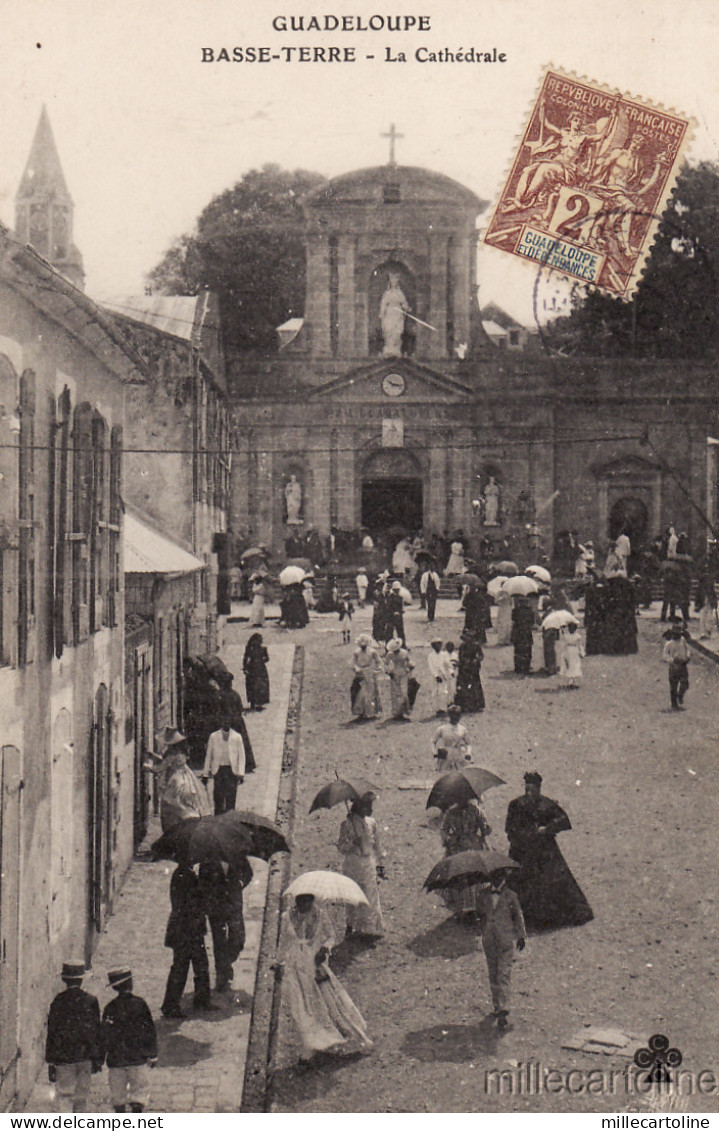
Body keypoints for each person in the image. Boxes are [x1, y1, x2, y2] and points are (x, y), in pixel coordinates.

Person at [277, 894, 373, 1062]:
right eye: (300, 901)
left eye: (307, 901)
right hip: (295, 969)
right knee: (300, 1008)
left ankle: (342, 1037)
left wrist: (325, 949)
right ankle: (309, 1048)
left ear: (312, 900)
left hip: (314, 966)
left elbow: (330, 936)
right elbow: (283, 943)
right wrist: (279, 963)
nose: (304, 904)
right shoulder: (287, 917)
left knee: (330, 1004)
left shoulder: (320, 915)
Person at [505, 772, 593, 930]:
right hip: (523, 849)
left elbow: (563, 820)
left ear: (539, 788)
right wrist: (523, 835)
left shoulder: (547, 804)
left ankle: (549, 918)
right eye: (527, 790)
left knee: (552, 881)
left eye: (533, 790)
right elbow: (509, 827)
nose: (530, 794)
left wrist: (547, 828)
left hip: (545, 850)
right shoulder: (516, 805)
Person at [45, 961, 103, 1113]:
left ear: (64, 979)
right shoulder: (91, 1001)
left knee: (65, 1095)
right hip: (85, 1056)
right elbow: (97, 1031)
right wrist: (97, 1058)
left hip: (64, 1057)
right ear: (82, 979)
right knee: (81, 1097)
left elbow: (52, 1031)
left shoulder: (58, 1001)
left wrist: (51, 1061)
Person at [160, 858, 214, 1018]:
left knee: (199, 964)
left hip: (187, 928)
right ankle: (171, 1005)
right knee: (181, 968)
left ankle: (201, 999)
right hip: (186, 929)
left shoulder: (183, 874)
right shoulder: (185, 877)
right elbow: (191, 904)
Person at [100, 968, 157, 1114]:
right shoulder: (140, 1004)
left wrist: (100, 1057)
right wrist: (152, 1054)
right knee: (139, 1090)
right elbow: (149, 1030)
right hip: (137, 1058)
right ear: (130, 983)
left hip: (116, 1060)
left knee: (118, 1094)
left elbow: (104, 1034)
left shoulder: (110, 1008)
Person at [476, 870, 526, 1032]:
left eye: (498, 876)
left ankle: (503, 1009)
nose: (495, 879)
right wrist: (483, 929)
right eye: (493, 876)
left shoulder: (511, 896)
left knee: (503, 973)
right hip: (489, 940)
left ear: (503, 877)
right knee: (493, 973)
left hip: (505, 940)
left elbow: (518, 915)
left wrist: (521, 936)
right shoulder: (483, 895)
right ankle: (497, 1006)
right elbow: (479, 915)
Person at [199, 857, 253, 991]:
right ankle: (221, 976)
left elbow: (248, 873)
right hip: (216, 906)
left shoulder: (237, 856)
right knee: (219, 941)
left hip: (233, 904)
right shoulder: (208, 860)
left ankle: (226, 962)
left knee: (238, 938)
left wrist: (240, 883)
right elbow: (202, 883)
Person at [337, 793, 386, 939]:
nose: (370, 809)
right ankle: (351, 924)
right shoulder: (346, 825)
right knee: (352, 895)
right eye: (366, 806)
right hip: (352, 865)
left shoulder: (371, 823)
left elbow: (377, 846)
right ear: (358, 806)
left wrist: (380, 864)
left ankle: (370, 929)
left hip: (368, 865)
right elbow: (341, 846)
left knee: (370, 896)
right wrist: (352, 843)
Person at [437, 798, 491, 920]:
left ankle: (471, 909)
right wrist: (450, 839)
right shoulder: (467, 811)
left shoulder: (470, 811)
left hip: (465, 847)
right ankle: (465, 910)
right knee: (464, 877)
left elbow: (443, 831)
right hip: (465, 847)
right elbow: (443, 830)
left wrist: (449, 840)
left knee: (469, 877)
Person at [159, 730, 211, 832]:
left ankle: (177, 822)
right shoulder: (182, 752)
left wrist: (148, 767)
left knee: (171, 802)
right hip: (186, 775)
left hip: (176, 778)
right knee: (188, 799)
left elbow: (161, 766)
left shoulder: (172, 754)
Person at [202, 719, 245, 815]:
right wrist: (205, 774)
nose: (226, 724)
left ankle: (230, 818)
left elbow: (242, 756)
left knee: (231, 798)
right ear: (221, 723)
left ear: (230, 723)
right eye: (224, 722)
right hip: (219, 771)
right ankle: (218, 818)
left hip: (232, 772)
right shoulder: (213, 737)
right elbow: (208, 756)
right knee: (218, 798)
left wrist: (241, 773)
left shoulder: (237, 737)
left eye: (228, 722)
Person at [351, 634, 382, 719]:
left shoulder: (372, 652)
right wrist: (356, 668)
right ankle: (361, 711)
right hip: (360, 673)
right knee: (361, 692)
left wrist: (378, 669)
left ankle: (370, 712)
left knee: (370, 692)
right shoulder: (357, 652)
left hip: (369, 672)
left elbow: (379, 661)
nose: (363, 647)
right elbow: (353, 662)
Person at [432, 704, 471, 770]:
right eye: (453, 715)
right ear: (449, 716)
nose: (456, 717)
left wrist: (468, 753)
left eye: (458, 715)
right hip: (446, 756)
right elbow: (433, 742)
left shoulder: (463, 729)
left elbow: (468, 743)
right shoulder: (442, 729)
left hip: (459, 756)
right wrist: (435, 754)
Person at [380, 271, 410, 358]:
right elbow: (383, 304)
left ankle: (396, 348)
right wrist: (382, 312)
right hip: (389, 313)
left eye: (395, 281)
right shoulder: (387, 293)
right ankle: (389, 348)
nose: (394, 283)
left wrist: (406, 308)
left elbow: (404, 303)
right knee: (389, 329)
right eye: (392, 281)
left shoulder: (399, 293)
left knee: (397, 331)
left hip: (398, 313)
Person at [455, 629, 485, 712]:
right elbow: (461, 657)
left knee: (475, 686)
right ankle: (464, 705)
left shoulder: (476, 646)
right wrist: (466, 661)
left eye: (470, 637)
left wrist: (477, 660)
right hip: (464, 668)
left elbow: (481, 655)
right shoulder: (462, 646)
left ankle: (476, 705)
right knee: (464, 686)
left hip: (473, 668)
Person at [663, 622, 691, 710]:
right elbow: (665, 655)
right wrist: (671, 660)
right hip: (674, 666)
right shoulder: (669, 644)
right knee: (673, 685)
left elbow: (687, 649)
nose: (676, 636)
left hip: (683, 665)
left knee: (685, 683)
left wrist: (687, 656)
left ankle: (680, 695)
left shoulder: (683, 640)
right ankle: (674, 704)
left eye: (678, 634)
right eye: (674, 634)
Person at [384, 638, 414, 720]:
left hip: (404, 673)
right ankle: (396, 713)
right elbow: (385, 663)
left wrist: (410, 667)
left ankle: (404, 712)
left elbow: (409, 661)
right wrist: (388, 672)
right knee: (395, 693)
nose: (396, 652)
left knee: (404, 692)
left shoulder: (404, 652)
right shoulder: (390, 654)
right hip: (394, 674)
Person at [243, 632, 270, 711]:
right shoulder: (249, 649)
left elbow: (267, 658)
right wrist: (245, 668)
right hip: (252, 669)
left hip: (260, 669)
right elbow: (245, 659)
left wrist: (262, 660)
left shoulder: (263, 649)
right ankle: (253, 702)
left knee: (261, 686)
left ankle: (259, 703)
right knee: (252, 686)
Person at [511, 596, 534, 675]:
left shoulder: (515, 610)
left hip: (518, 631)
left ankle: (518, 668)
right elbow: (532, 622)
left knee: (517, 650)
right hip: (527, 632)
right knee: (527, 650)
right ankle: (526, 668)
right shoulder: (530, 611)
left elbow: (513, 619)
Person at [427, 638, 450, 715]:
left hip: (443, 675)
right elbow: (431, 667)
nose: (439, 646)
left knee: (443, 692)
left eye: (440, 644)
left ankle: (442, 708)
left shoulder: (444, 654)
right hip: (434, 677)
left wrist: (448, 671)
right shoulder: (430, 656)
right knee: (435, 692)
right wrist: (436, 676)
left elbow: (447, 664)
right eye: (437, 644)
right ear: (433, 646)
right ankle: (436, 708)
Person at [561, 622, 585, 688]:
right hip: (568, 651)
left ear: (575, 629)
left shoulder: (577, 636)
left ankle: (573, 680)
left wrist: (582, 653)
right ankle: (570, 681)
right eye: (569, 628)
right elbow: (564, 645)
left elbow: (580, 645)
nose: (571, 630)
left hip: (574, 651)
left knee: (574, 665)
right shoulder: (566, 636)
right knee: (568, 665)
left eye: (572, 628)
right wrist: (563, 653)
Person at [386, 581, 406, 646]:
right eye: (396, 590)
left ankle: (403, 645)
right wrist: (393, 612)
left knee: (401, 632)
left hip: (399, 617)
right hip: (391, 617)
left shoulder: (400, 597)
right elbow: (388, 608)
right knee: (389, 632)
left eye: (398, 590)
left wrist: (401, 611)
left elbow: (402, 608)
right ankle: (388, 646)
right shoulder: (390, 597)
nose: (397, 591)